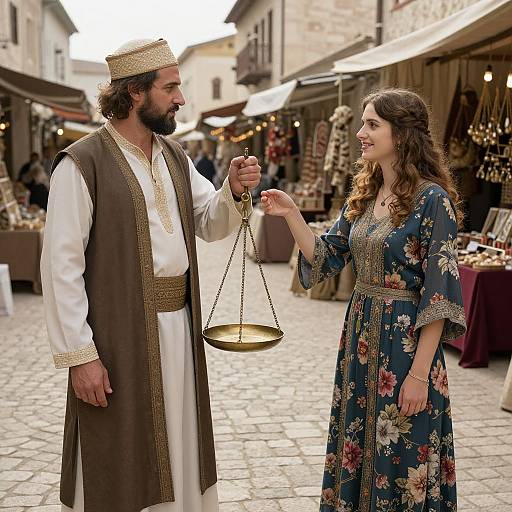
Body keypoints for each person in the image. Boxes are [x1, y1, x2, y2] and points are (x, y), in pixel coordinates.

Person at [40, 38, 261, 512]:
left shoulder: (175, 156)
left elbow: (209, 220)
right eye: (171, 87)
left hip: (178, 331)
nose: (180, 98)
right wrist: (81, 356)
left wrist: (233, 190)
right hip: (118, 339)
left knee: (179, 443)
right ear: (136, 92)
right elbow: (60, 269)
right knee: (121, 448)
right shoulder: (82, 164)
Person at [262, 88, 466, 511]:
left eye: (372, 124)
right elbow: (324, 258)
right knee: (359, 442)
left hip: (407, 348)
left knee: (403, 453)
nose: (360, 133)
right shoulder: (366, 194)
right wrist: (291, 213)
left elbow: (440, 294)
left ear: (402, 133)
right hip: (360, 341)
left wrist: (418, 375)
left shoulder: (433, 201)